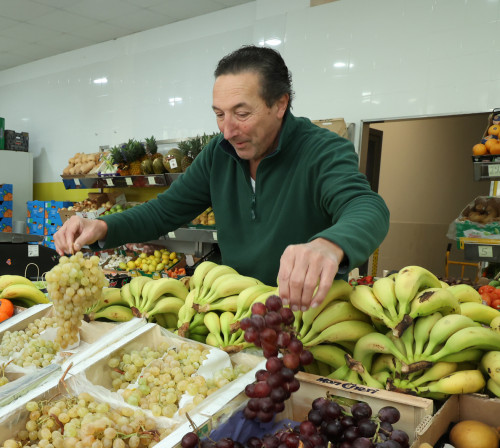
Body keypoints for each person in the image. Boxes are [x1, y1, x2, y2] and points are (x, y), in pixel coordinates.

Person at [54, 45, 390, 313]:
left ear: (280, 104)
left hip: (308, 315)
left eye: (242, 114)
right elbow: (164, 211)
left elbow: (365, 206)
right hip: (235, 309)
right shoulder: (218, 153)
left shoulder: (323, 150)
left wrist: (330, 245)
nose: (228, 130)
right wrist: (103, 227)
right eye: (219, 114)